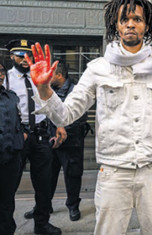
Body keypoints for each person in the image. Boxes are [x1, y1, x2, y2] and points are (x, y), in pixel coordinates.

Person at [24, 0, 152, 234]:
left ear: (146, 26)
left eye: (137, 19)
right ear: (116, 26)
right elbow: (66, 114)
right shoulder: (98, 68)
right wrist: (44, 90)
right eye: (124, 19)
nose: (131, 24)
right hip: (113, 173)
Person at [5, 39, 61, 235]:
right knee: (8, 186)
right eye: (19, 55)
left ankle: (42, 224)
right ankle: (6, 226)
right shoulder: (6, 79)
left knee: (44, 184)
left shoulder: (40, 77)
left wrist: (58, 125)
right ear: (11, 56)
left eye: (26, 56)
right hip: (17, 138)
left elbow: (51, 103)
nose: (23, 59)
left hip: (40, 136)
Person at [25, 62, 88, 221]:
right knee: (46, 176)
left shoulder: (76, 91)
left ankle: (73, 206)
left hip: (71, 142)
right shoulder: (48, 90)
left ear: (59, 75)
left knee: (72, 175)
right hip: (50, 140)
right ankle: (44, 206)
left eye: (51, 75)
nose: (47, 78)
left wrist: (65, 128)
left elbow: (81, 116)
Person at [0, 63, 25, 235]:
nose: (0, 75)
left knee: (7, 201)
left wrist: (22, 135)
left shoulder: (11, 96)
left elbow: (19, 119)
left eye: (1, 71)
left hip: (10, 157)